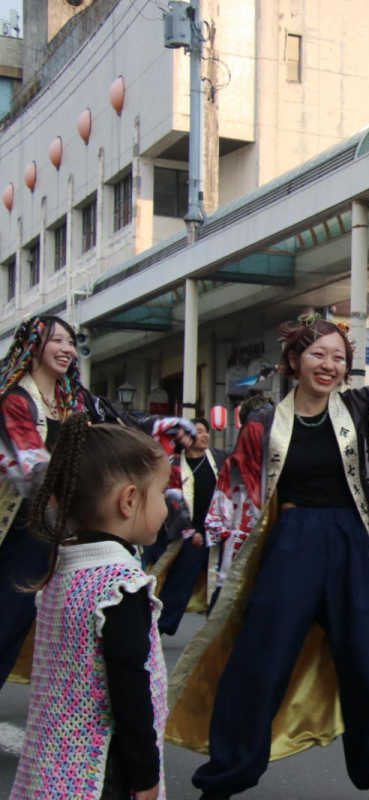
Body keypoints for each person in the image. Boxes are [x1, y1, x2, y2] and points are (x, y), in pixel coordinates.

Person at [167, 317, 369, 800]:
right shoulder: (262, 425)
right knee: (260, 660)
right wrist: (227, 572)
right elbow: (236, 499)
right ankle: (223, 780)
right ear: (293, 362)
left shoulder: (363, 408)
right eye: (317, 355)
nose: (329, 365)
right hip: (290, 543)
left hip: (354, 543)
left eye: (338, 357)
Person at [0, 315, 192, 691]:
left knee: (77, 625)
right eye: (58, 341)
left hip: (68, 531)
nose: (68, 350)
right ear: (33, 345)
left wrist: (164, 427)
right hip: (22, 533)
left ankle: (81, 720)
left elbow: (122, 425)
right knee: (8, 621)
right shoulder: (14, 401)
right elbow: (31, 468)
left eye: (72, 342)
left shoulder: (76, 399)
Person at [10, 414, 172, 800]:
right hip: (100, 771)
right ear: (129, 499)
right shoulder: (120, 585)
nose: (166, 506)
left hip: (51, 769)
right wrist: (146, 776)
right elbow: (129, 689)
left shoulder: (64, 567)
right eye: (163, 492)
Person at [149, 417, 231, 635]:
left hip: (219, 530)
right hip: (191, 532)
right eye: (198, 431)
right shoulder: (175, 465)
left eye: (206, 431)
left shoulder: (220, 458)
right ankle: (159, 626)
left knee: (225, 580)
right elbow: (173, 501)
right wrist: (189, 531)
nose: (204, 435)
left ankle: (221, 630)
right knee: (180, 580)